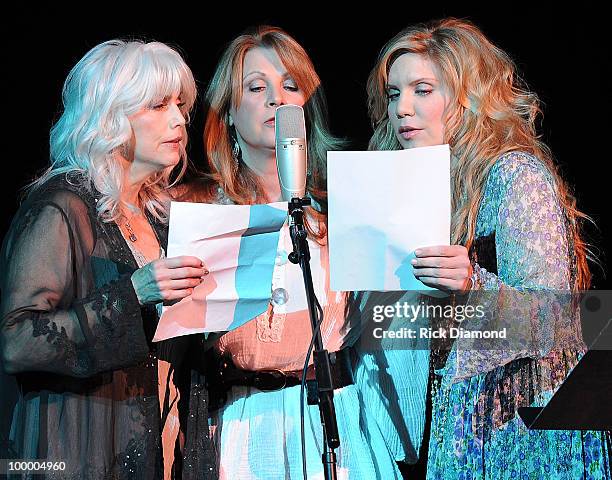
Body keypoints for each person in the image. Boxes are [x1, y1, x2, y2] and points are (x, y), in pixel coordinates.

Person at [366, 17, 611, 479]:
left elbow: (555, 318)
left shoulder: (515, 176)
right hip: (460, 414)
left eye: (422, 90)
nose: (402, 108)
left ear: (466, 96)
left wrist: (473, 283)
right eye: (394, 93)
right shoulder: (416, 187)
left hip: (520, 425)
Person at [175, 25, 402, 479]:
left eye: (290, 86)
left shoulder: (342, 209)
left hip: (336, 423)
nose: (276, 98)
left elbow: (383, 334)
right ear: (229, 114)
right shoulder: (196, 208)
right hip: (241, 425)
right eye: (256, 88)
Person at [0, 39, 216, 479]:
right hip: (80, 451)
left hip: (160, 443)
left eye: (180, 105)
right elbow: (16, 340)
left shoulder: (158, 216)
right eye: (158, 105)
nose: (178, 119)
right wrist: (131, 293)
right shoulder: (62, 206)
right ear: (110, 116)